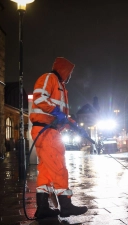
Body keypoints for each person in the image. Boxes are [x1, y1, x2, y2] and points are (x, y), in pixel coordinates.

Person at [30, 57, 88, 219]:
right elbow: (40, 98)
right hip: (47, 131)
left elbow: (62, 116)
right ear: (64, 70)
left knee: (46, 171)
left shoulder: (60, 86)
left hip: (45, 130)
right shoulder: (50, 78)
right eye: (70, 72)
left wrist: (75, 126)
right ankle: (66, 205)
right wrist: (56, 112)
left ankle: (42, 208)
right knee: (59, 167)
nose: (70, 76)